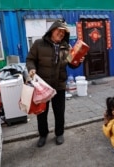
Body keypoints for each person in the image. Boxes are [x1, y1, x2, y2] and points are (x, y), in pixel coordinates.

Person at [26, 19, 85, 147]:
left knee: (59, 111)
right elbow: (30, 59)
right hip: (42, 85)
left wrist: (78, 59)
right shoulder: (38, 44)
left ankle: (59, 133)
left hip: (59, 85)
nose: (61, 34)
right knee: (42, 112)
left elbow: (71, 64)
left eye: (64, 32)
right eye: (59, 31)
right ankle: (43, 134)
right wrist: (31, 68)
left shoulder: (66, 47)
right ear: (52, 30)